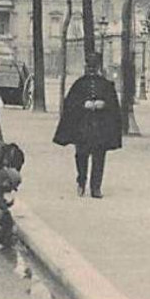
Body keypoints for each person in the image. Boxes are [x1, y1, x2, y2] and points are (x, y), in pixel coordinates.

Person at [54, 52, 122, 198]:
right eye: (89, 66)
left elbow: (114, 106)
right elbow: (69, 104)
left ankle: (96, 187)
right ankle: (81, 181)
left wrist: (103, 104)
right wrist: (83, 104)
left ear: (98, 67)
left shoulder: (106, 85)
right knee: (81, 156)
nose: (92, 70)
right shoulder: (79, 84)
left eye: (94, 66)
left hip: (100, 128)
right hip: (82, 127)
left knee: (99, 157)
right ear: (86, 67)